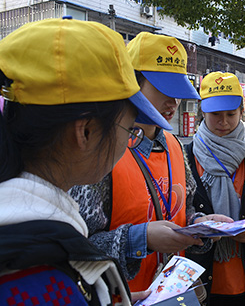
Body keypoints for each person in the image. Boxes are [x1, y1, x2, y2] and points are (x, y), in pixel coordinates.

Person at [0, 18, 173, 304]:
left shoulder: (34, 238)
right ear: (87, 132)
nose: (130, 141)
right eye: (129, 130)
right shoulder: (38, 278)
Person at [70, 32, 230, 294]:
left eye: (178, 91)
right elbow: (78, 247)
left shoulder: (175, 146)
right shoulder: (102, 151)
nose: (173, 102)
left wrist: (201, 224)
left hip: (171, 294)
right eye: (163, 90)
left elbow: (183, 209)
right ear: (131, 84)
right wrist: (141, 238)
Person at [185, 71, 245, 306]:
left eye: (231, 114)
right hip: (200, 282)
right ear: (202, 112)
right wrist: (198, 223)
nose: (224, 121)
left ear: (242, 111)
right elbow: (177, 215)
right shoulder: (184, 157)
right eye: (215, 114)